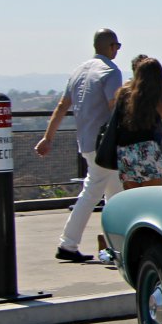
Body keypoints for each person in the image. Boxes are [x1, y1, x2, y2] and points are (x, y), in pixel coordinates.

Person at [34, 28, 124, 262]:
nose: (118, 51)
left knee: (113, 194)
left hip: (86, 142)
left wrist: (48, 138)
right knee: (95, 192)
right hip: (105, 144)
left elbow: (62, 106)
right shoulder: (110, 71)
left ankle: (114, 246)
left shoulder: (78, 72)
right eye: (117, 46)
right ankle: (69, 244)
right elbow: (115, 107)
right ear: (111, 47)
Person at [114, 58, 162, 189]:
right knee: (153, 197)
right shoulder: (155, 98)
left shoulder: (123, 94)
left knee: (132, 199)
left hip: (125, 152)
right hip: (148, 151)